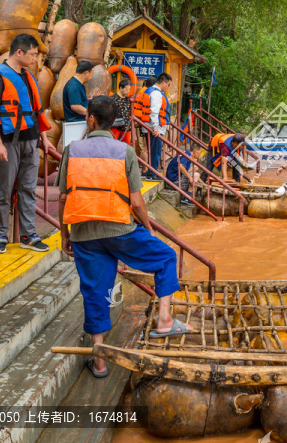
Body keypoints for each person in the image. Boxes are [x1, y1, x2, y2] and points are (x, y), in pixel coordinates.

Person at [58, 96, 193, 378]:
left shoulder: (72, 149)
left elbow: (62, 198)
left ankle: (100, 361)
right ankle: (165, 320)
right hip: (120, 231)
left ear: (91, 119)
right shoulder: (125, 151)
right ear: (114, 122)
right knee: (166, 257)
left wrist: (64, 236)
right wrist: (149, 227)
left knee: (95, 291)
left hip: (83, 233)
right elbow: (136, 202)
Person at [0, 34, 56, 254]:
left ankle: (29, 234)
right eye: (33, 54)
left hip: (31, 140)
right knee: (5, 190)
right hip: (8, 140)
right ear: (19, 52)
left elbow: (36, 110)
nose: (35, 59)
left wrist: (44, 139)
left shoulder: (28, 76)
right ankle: (1, 234)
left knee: (28, 189)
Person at [136, 72, 172, 180]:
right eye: (168, 84)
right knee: (155, 151)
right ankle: (152, 174)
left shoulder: (150, 90)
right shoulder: (156, 93)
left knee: (153, 151)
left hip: (150, 126)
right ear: (164, 82)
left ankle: (151, 173)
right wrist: (156, 127)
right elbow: (154, 111)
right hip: (154, 128)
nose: (168, 87)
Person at [133, 76, 155, 167]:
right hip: (141, 119)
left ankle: (144, 165)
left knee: (143, 145)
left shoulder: (142, 90)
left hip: (138, 118)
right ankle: (144, 166)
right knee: (144, 145)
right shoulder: (147, 93)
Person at [110, 78, 133, 143]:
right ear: (120, 88)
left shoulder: (129, 99)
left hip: (126, 126)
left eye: (129, 89)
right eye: (126, 89)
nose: (128, 91)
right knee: (112, 142)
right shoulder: (113, 98)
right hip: (115, 125)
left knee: (126, 144)